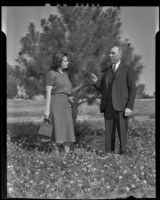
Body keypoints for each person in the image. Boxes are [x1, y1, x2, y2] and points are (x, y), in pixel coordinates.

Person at [91, 46, 136, 156]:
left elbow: (132, 89)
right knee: (109, 133)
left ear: (119, 55)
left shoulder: (127, 69)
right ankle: (109, 154)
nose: (110, 55)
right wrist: (96, 83)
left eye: (113, 53)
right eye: (110, 53)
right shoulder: (106, 71)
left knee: (122, 132)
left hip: (122, 107)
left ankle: (124, 154)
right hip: (108, 107)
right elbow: (104, 89)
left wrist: (129, 106)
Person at [44, 51, 84, 155]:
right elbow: (48, 93)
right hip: (55, 104)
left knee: (67, 130)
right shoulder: (51, 74)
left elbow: (69, 91)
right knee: (55, 129)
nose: (67, 63)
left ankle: (66, 158)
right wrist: (47, 110)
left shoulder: (65, 75)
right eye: (65, 61)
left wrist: (82, 85)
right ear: (59, 61)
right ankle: (55, 155)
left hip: (66, 105)